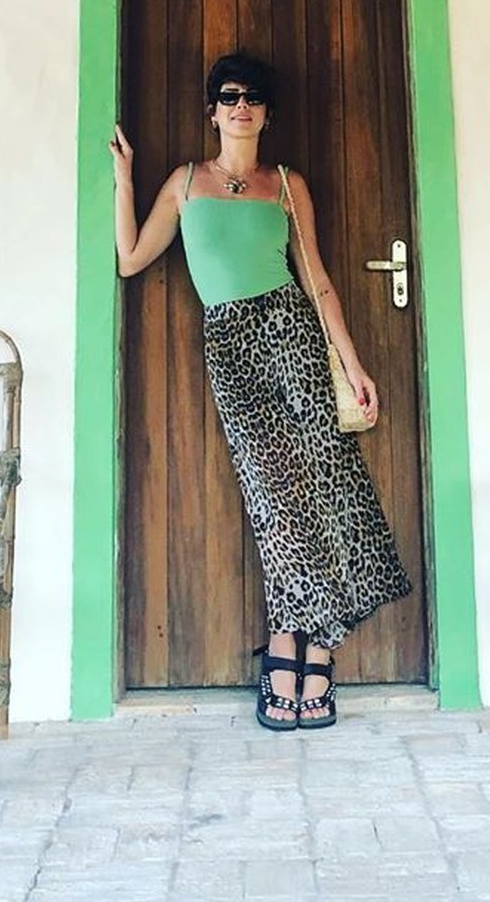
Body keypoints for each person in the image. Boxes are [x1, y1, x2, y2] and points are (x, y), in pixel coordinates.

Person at [111, 50, 411, 730]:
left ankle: (307, 651)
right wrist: (125, 177)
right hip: (232, 348)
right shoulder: (186, 183)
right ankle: (295, 644)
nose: (241, 106)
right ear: (212, 111)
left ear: (267, 113)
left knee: (326, 491)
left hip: (293, 338)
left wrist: (353, 365)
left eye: (252, 97)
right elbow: (130, 260)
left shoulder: (286, 186)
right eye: (229, 95)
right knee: (275, 505)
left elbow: (318, 281)